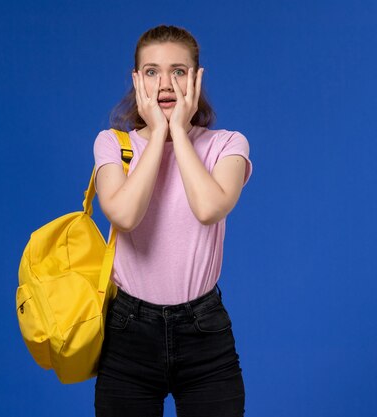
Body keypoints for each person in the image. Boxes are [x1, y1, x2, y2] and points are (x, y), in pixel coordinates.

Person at [92, 24, 253, 416]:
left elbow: (209, 208)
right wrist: (156, 136)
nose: (165, 83)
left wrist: (178, 133)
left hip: (204, 331)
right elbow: (125, 215)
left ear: (196, 79)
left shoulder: (227, 144)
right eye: (151, 71)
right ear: (136, 80)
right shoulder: (113, 144)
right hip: (127, 331)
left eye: (178, 71)